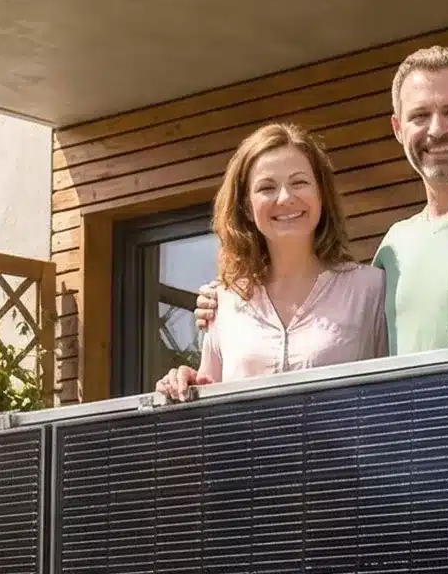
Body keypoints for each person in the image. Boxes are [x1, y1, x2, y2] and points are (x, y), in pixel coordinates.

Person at [195, 46, 448, 354]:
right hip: (413, 447)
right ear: (397, 128)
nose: (436, 130)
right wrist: (230, 301)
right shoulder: (394, 246)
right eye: (419, 116)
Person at [155, 123, 385, 400]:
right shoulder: (222, 304)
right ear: (246, 207)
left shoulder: (370, 289)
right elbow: (207, 397)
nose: (285, 198)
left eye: (299, 183)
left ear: (321, 194)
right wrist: (183, 383)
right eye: (266, 187)